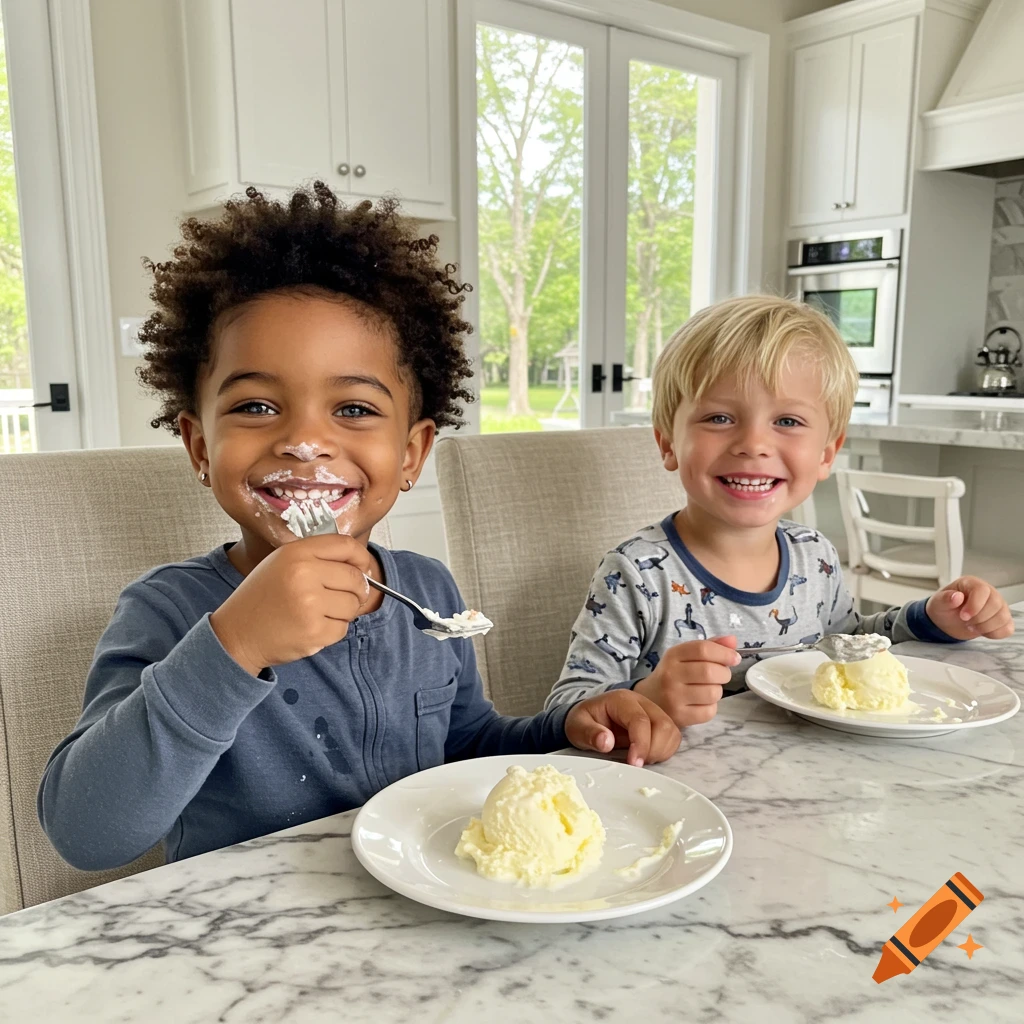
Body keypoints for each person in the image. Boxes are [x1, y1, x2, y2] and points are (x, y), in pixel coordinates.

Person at [38, 184, 679, 872]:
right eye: (256, 405)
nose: (305, 441)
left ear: (410, 454)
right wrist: (235, 643)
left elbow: (463, 745)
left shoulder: (426, 592)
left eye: (352, 410)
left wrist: (567, 730)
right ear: (200, 448)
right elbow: (86, 832)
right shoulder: (167, 611)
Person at [545, 295, 1013, 726]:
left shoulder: (816, 556)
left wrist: (933, 617)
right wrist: (647, 696)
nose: (753, 444)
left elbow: (848, 643)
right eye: (719, 418)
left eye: (787, 421)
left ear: (827, 453)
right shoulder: (636, 573)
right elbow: (568, 707)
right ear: (668, 443)